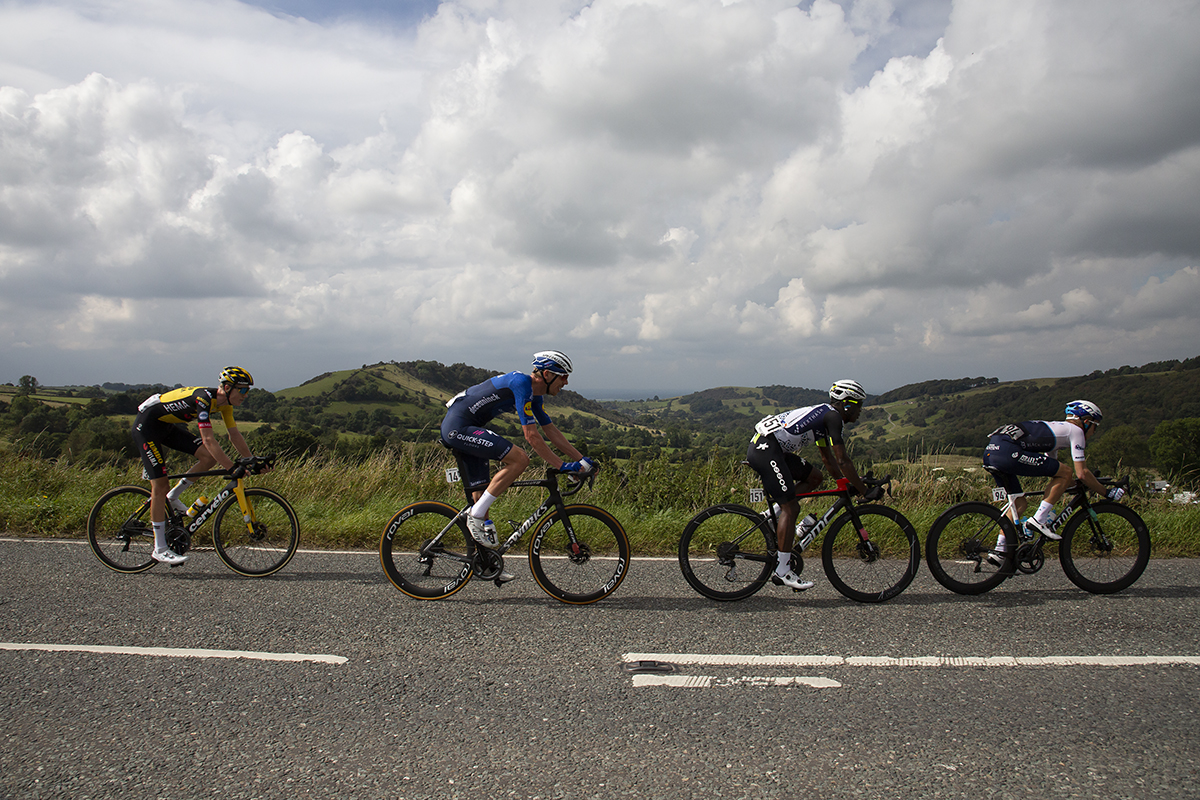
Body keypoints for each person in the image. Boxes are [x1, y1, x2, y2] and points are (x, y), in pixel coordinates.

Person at [440, 350, 597, 568]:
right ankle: (475, 515)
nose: (566, 382)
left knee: (481, 497)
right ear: (547, 375)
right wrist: (561, 466)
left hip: (469, 428)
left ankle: (486, 563)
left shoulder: (535, 394)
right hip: (458, 428)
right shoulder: (521, 383)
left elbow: (550, 431)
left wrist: (582, 461)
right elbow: (531, 436)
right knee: (520, 459)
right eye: (563, 376)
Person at [746, 379, 871, 591]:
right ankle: (783, 571)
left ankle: (772, 515)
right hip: (767, 450)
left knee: (815, 478)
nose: (859, 411)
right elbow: (843, 460)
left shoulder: (825, 416)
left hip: (771, 448)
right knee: (792, 508)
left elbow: (828, 460)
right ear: (847, 403)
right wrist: (863, 490)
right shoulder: (833, 417)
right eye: (858, 405)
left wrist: (843, 483)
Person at [130, 367, 261, 566]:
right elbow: (208, 439)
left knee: (207, 458)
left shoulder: (225, 405)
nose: (245, 395)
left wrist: (251, 460)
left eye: (247, 391)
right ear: (227, 387)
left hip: (166, 427)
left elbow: (234, 435)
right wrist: (231, 468)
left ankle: (173, 497)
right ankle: (160, 549)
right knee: (160, 486)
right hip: (147, 428)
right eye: (242, 390)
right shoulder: (204, 399)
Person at [982, 400, 1124, 564]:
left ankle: (999, 551)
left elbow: (1056, 474)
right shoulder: (1076, 431)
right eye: (1095, 427)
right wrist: (1107, 492)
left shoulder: (1056, 432)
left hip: (991, 453)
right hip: (1007, 452)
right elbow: (1082, 473)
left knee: (1019, 504)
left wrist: (1075, 484)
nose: (1094, 432)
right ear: (1086, 422)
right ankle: (1038, 520)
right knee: (1067, 471)